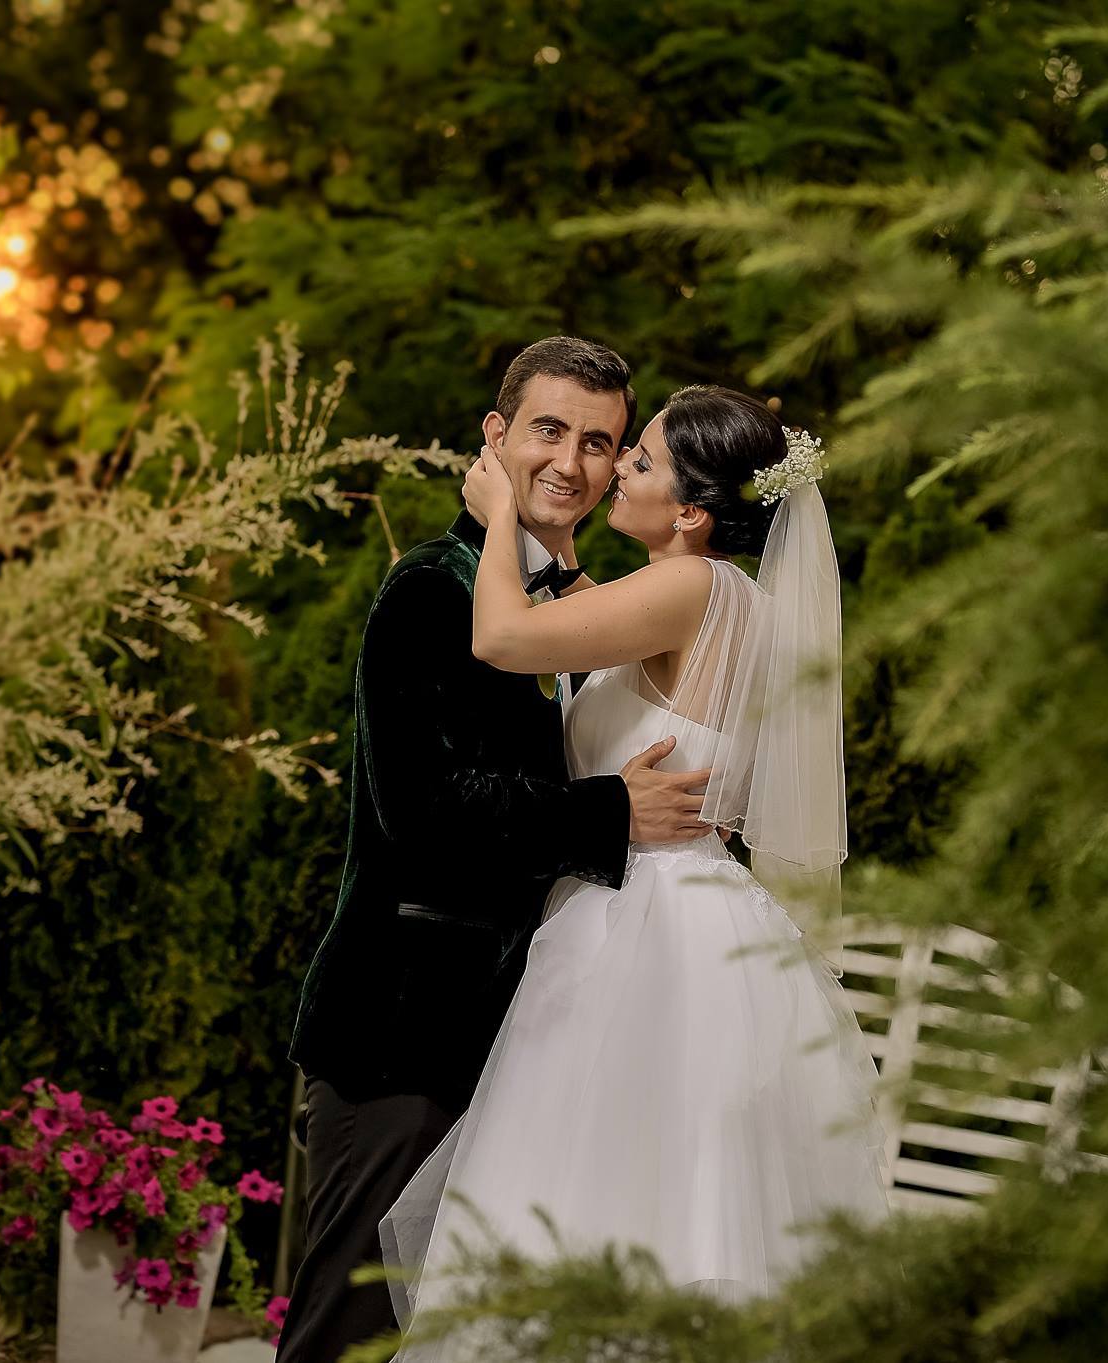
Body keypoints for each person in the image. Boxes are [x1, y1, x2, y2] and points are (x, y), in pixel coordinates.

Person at [378, 385, 894, 1358]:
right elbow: (581, 615)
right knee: (652, 1200)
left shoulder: (688, 588)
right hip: (695, 911)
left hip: (644, 927)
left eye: (642, 460)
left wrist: (499, 515)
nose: (618, 466)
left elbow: (502, 635)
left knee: (597, 1191)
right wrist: (558, 557)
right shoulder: (723, 601)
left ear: (692, 513)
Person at [276, 337, 716, 1363]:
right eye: (548, 430)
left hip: (514, 1048)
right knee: (350, 1337)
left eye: (598, 442)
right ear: (496, 435)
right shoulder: (432, 590)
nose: (570, 460)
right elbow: (424, 812)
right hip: (402, 1036)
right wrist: (611, 813)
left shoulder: (572, 605)